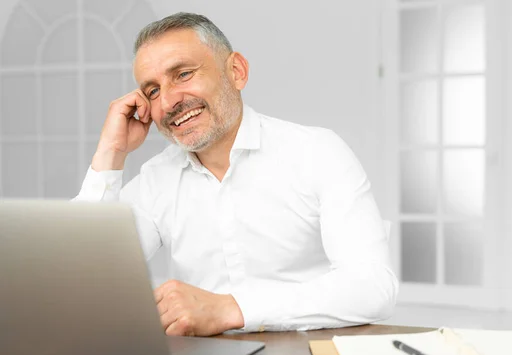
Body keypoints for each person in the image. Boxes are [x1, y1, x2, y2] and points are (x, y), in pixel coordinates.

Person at [75, 12, 398, 336]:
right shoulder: (156, 179)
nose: (170, 101)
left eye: (183, 74)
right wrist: (111, 152)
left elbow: (372, 287)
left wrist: (232, 309)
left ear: (236, 72)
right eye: (153, 91)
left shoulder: (317, 152)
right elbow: (81, 281)